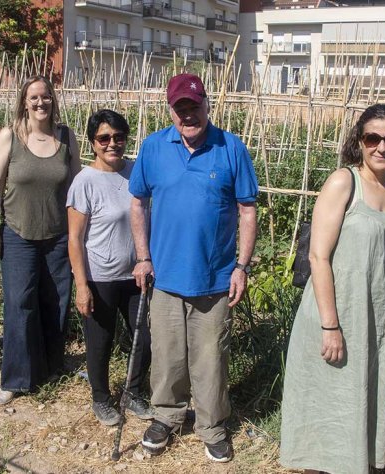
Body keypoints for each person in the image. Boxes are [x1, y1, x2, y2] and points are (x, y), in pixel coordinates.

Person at [129, 73, 258, 462]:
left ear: (207, 106)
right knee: (167, 355)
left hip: (215, 277)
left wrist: (241, 266)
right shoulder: (153, 147)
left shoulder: (230, 148)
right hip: (165, 276)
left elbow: (247, 210)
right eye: (180, 109)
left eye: (194, 107)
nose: (188, 115)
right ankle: (166, 416)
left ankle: (212, 425)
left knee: (210, 357)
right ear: (171, 110)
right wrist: (143, 256)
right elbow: (137, 202)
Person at [279, 104, 385, 473]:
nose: (381, 146)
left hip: (377, 318)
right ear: (359, 141)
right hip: (336, 312)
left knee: (364, 394)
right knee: (326, 400)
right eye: (373, 137)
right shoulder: (344, 182)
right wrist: (330, 325)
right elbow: (319, 257)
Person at [0, 75, 81, 405]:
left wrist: (80, 232)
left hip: (58, 236)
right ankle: (15, 377)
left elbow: (75, 188)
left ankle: (51, 367)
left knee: (56, 302)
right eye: (34, 97)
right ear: (24, 102)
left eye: (46, 97)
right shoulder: (10, 137)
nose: (41, 103)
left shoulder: (66, 137)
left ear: (53, 100)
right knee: (19, 304)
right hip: (18, 234)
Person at [66, 109, 154, 425]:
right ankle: (101, 399)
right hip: (100, 276)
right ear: (93, 143)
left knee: (145, 338)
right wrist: (81, 285)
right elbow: (74, 239)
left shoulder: (136, 173)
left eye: (118, 137)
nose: (112, 143)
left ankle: (132, 393)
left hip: (136, 275)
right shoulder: (84, 182)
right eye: (104, 138)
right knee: (100, 342)